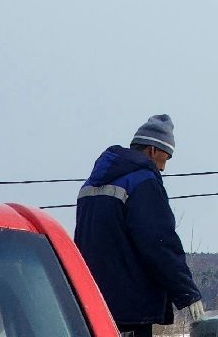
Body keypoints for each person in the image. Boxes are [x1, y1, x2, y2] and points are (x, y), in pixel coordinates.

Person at [75, 114, 205, 336]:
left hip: (91, 305)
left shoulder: (90, 185)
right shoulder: (142, 181)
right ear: (152, 151)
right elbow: (159, 242)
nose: (163, 167)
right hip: (130, 310)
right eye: (166, 157)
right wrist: (187, 293)